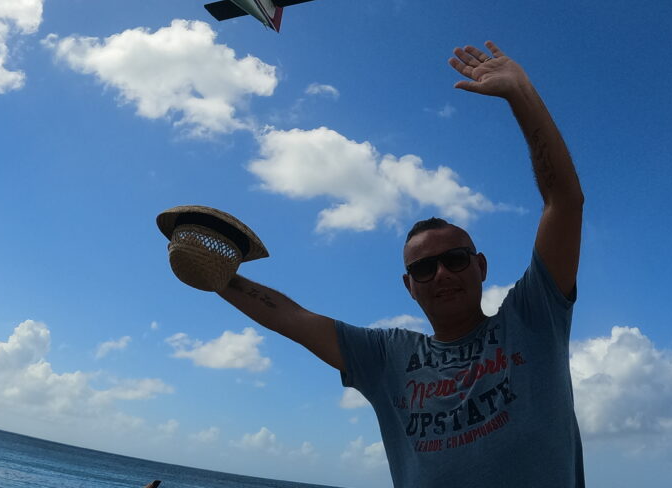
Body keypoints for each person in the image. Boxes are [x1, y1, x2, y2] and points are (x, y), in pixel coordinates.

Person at [214, 41, 585, 487]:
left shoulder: (532, 320)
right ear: (409, 286)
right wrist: (218, 277)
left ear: (481, 266)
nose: (442, 274)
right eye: (425, 268)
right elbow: (291, 317)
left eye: (454, 259)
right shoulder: (387, 357)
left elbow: (563, 201)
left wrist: (521, 93)